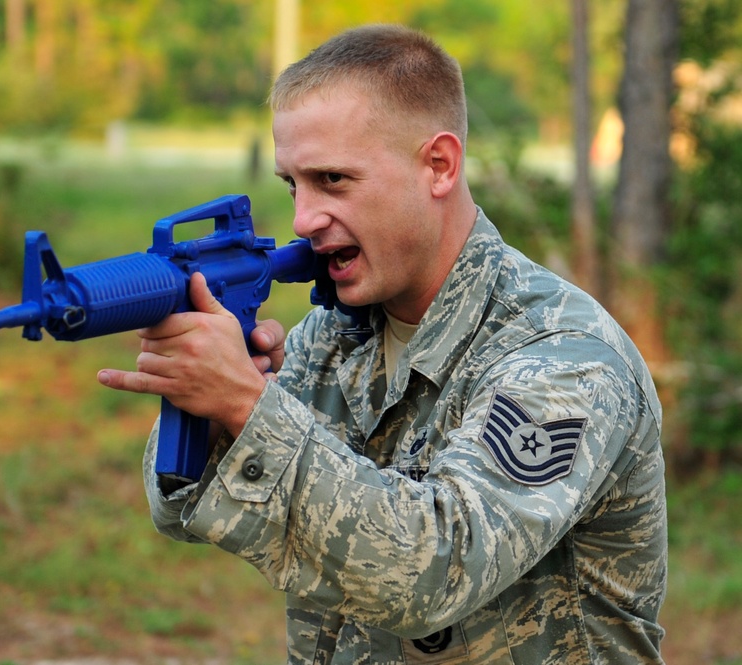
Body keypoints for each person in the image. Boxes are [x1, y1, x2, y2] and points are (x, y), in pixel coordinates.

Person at [97, 24, 667, 664]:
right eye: (293, 184)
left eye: (333, 180)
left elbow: (435, 573)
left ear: (439, 166)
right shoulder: (337, 334)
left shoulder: (564, 358)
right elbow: (181, 513)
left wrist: (249, 408)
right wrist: (212, 408)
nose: (303, 220)